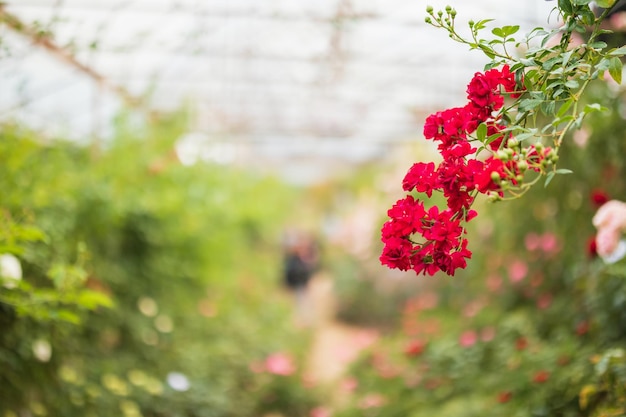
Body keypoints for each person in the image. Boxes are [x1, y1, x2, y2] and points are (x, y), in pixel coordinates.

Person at [282, 231, 319, 326]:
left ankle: (306, 321)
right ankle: (304, 321)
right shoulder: (294, 260)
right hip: (298, 283)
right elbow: (290, 272)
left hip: (303, 283)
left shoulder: (303, 257)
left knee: (305, 301)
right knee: (300, 302)